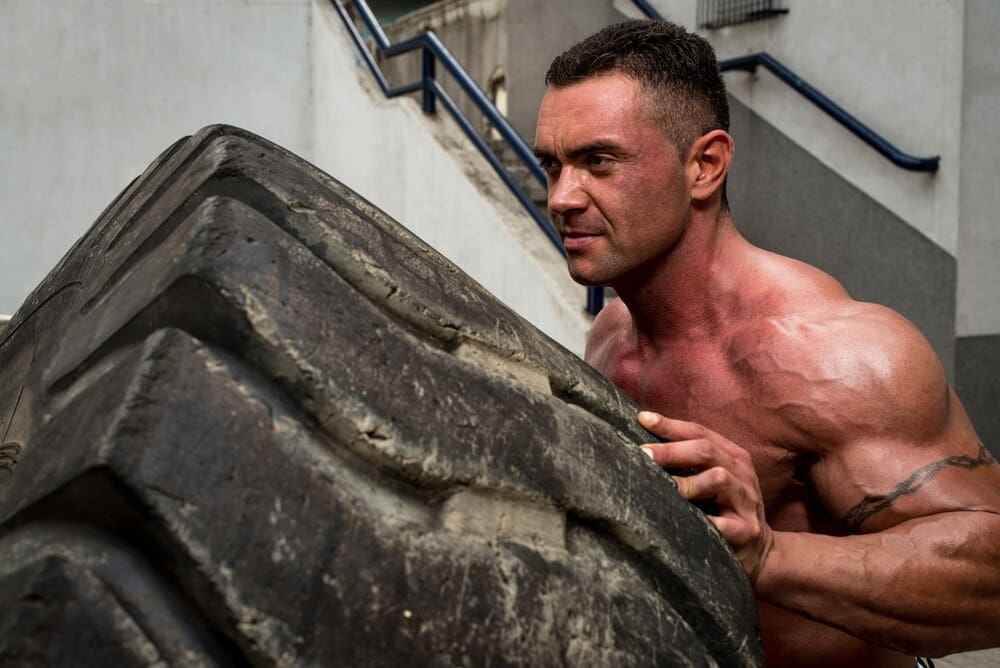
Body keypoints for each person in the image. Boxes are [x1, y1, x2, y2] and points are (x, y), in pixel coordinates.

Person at [533, 19, 1000, 667]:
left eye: (599, 162)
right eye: (551, 165)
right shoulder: (612, 337)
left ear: (705, 164)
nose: (561, 198)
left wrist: (773, 556)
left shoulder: (834, 354)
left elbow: (992, 580)